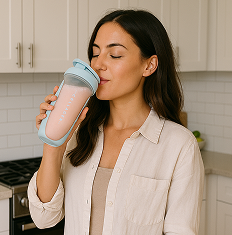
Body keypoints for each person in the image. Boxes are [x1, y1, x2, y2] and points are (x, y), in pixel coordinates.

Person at [28, 9, 205, 235]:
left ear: (149, 65)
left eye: (115, 55)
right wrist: (54, 140)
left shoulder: (179, 145)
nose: (98, 64)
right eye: (95, 53)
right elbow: (44, 218)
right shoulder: (79, 131)